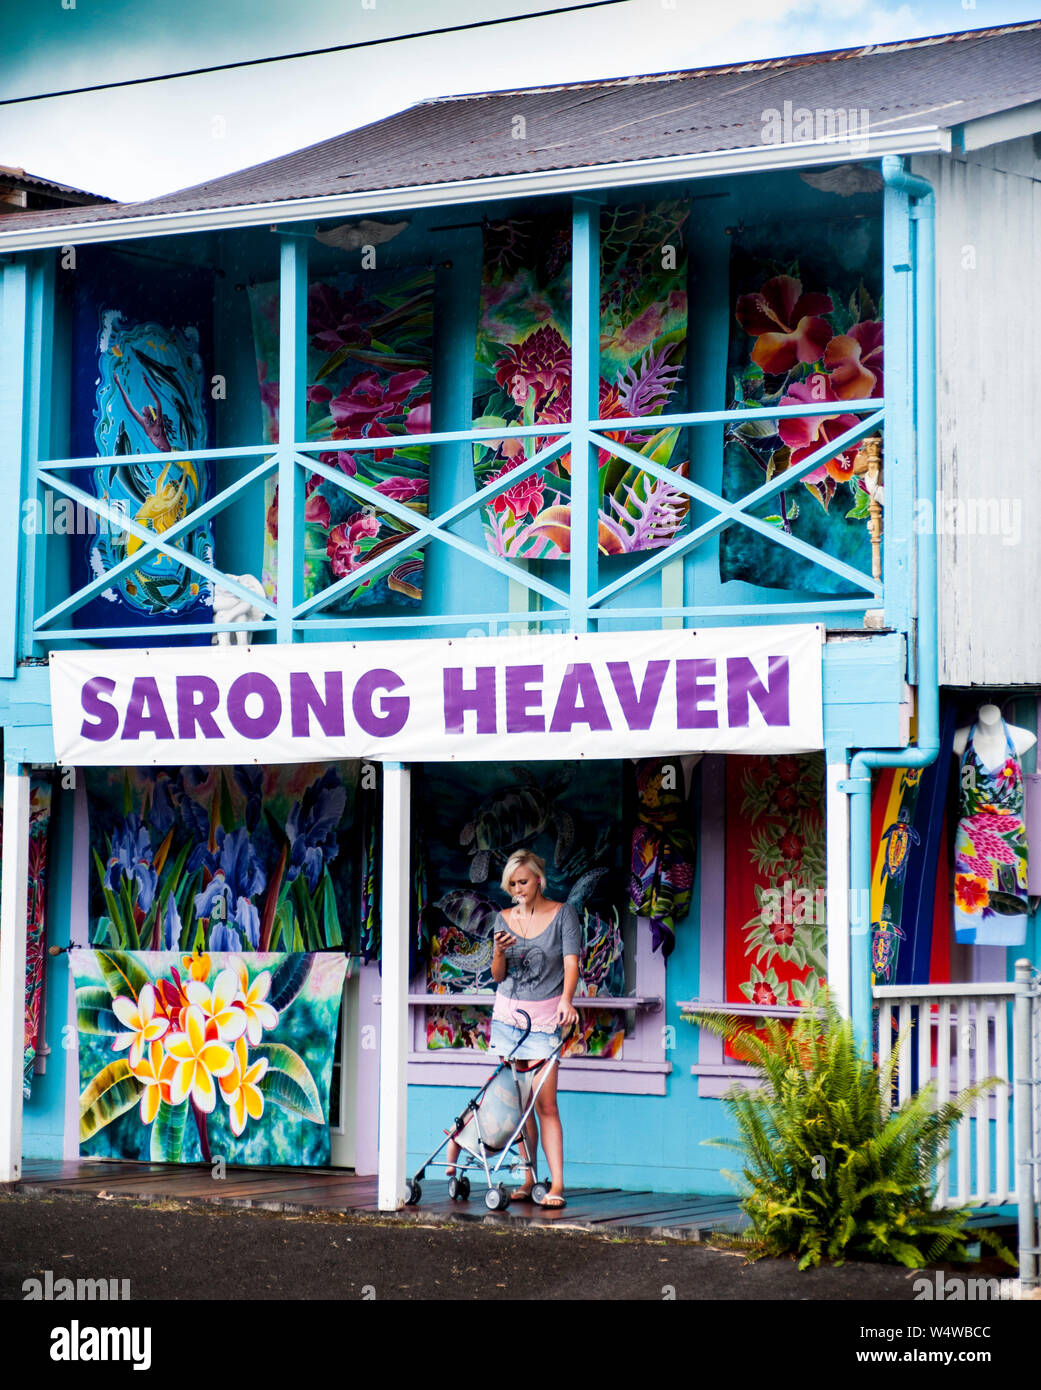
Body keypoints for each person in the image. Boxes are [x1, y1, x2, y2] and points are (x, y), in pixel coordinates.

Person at [444, 848, 580, 1208]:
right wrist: (499, 952)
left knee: (545, 1102)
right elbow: (498, 976)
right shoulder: (502, 919)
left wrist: (567, 999)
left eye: (524, 881)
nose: (518, 889)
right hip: (508, 1019)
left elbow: (571, 965)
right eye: (512, 884)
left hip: (546, 1018)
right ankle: (528, 1178)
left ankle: (558, 1185)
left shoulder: (564, 914)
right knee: (519, 1104)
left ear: (539, 879)